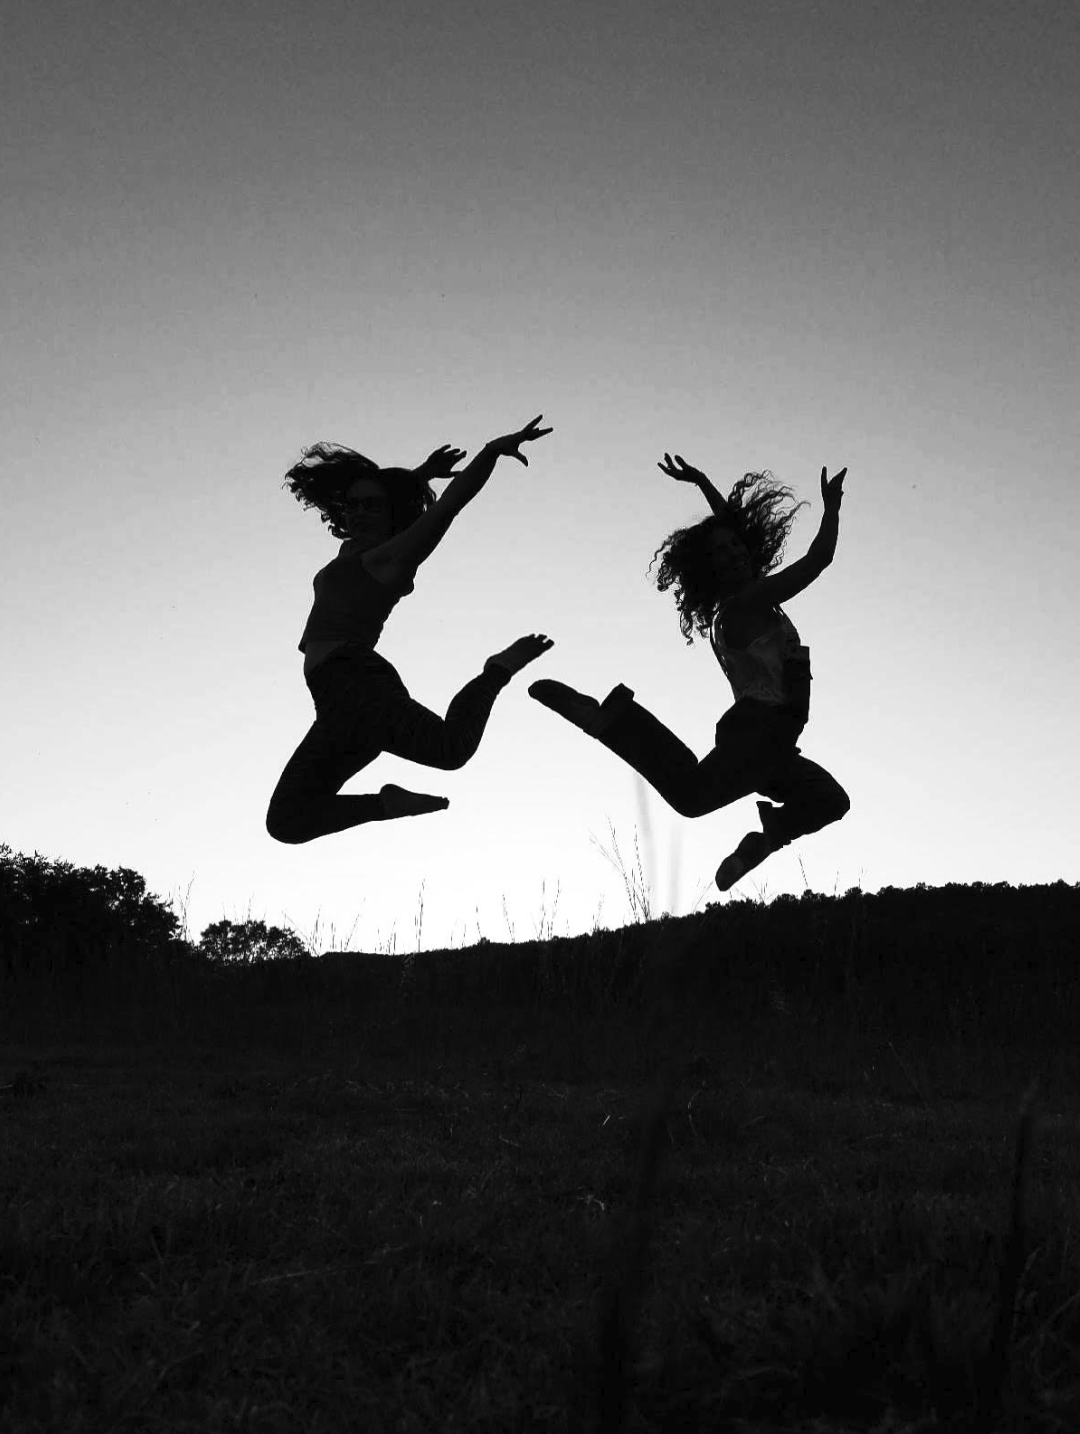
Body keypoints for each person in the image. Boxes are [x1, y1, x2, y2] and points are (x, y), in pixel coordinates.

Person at [529, 454, 851, 891]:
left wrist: (702, 482)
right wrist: (831, 510)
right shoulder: (744, 606)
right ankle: (612, 721)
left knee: (830, 800)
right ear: (711, 569)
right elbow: (819, 560)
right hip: (761, 731)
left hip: (775, 739)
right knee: (692, 796)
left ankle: (765, 840)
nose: (736, 555)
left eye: (737, 547)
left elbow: (734, 527)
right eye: (723, 554)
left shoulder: (749, 602)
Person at [266, 416, 553, 844]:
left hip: (357, 685)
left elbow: (450, 504)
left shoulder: (394, 558)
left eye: (372, 506)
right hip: (334, 705)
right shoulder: (352, 549)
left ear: (393, 515)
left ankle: (496, 670)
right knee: (286, 822)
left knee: (451, 750)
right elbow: (388, 499)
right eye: (354, 504)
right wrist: (419, 475)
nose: (358, 513)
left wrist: (491, 451)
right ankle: (386, 805)